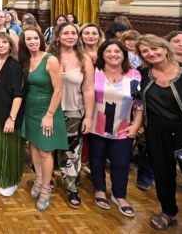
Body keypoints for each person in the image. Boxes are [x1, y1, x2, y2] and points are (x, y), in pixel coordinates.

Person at [136, 35, 182, 230]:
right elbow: (138, 100)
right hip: (156, 132)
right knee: (162, 172)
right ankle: (168, 211)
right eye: (145, 51)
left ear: (165, 49)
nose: (151, 53)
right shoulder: (143, 74)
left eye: (154, 48)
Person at [89, 40, 142, 217]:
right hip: (96, 126)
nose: (113, 54)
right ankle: (100, 190)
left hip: (123, 129)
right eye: (108, 51)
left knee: (121, 163)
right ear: (102, 54)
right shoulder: (94, 72)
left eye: (117, 51)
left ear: (124, 54)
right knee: (97, 159)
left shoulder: (134, 75)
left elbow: (139, 104)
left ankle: (120, 195)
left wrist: (136, 125)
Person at [19, 27, 67, 211]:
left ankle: (46, 188)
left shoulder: (51, 60)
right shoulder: (26, 60)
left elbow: (58, 90)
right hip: (31, 109)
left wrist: (49, 115)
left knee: (46, 151)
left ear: (41, 39)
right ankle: (38, 178)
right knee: (33, 144)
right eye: (28, 39)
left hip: (47, 110)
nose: (32, 41)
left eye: (35, 38)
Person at [48, 23, 94, 208]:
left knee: (71, 152)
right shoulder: (49, 56)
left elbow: (89, 90)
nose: (70, 36)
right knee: (47, 148)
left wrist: (89, 116)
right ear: (58, 36)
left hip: (73, 110)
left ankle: (71, 187)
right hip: (50, 110)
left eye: (73, 33)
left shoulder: (85, 59)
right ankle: (47, 178)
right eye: (65, 33)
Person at [0, 32, 24, 197]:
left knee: (8, 145)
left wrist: (12, 118)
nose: (0, 45)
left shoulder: (14, 65)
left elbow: (18, 94)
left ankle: (10, 180)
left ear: (10, 45)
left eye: (4, 42)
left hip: (9, 112)